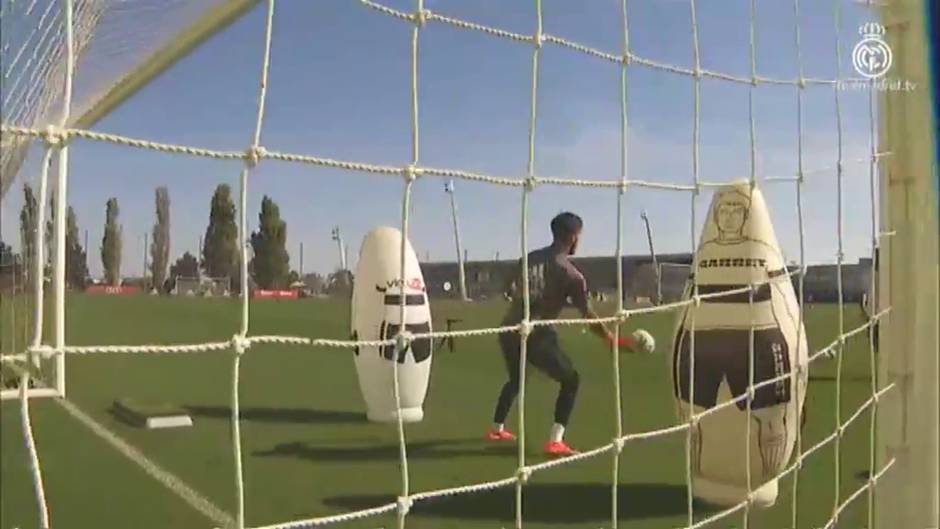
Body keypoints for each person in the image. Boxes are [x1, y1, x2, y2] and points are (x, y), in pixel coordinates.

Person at [487, 212, 651, 456]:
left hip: (509, 329)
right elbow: (588, 314)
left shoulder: (528, 259)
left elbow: (508, 287)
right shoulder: (572, 275)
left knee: (516, 380)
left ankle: (496, 429)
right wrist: (612, 340)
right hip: (535, 334)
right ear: (574, 237)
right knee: (571, 380)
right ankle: (555, 440)